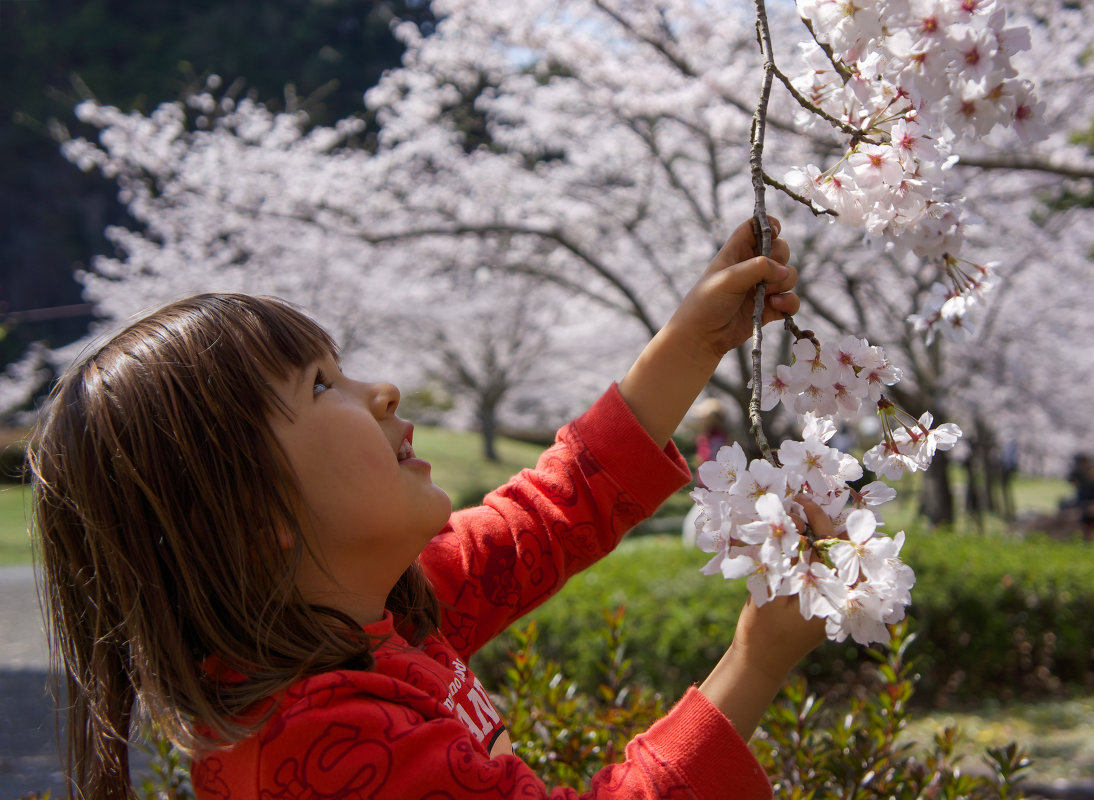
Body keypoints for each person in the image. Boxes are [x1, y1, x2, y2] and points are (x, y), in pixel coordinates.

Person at [29, 219, 836, 800]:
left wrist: (693, 344)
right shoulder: (321, 742)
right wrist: (756, 660)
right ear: (248, 516)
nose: (382, 391)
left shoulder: (365, 616)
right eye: (320, 386)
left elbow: (546, 516)